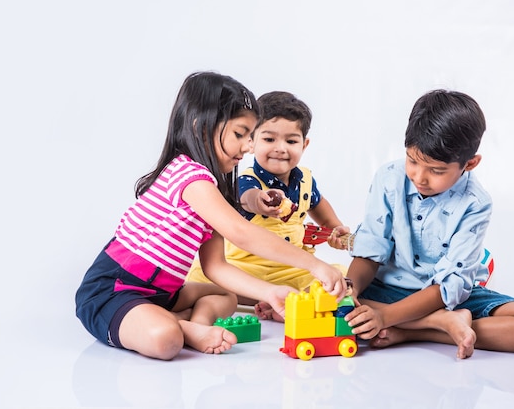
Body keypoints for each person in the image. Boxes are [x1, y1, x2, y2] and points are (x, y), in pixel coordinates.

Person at [75, 72, 347, 361]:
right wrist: (314, 265)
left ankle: (194, 324)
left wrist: (269, 293)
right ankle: (181, 328)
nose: (248, 146)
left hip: (163, 293)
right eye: (240, 134)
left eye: (250, 136)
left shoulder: (215, 188)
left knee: (225, 297)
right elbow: (241, 232)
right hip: (113, 289)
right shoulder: (190, 175)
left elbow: (216, 266)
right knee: (165, 340)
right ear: (201, 128)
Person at [344, 89, 514, 359]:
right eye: (412, 161)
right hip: (383, 290)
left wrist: (384, 316)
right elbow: (371, 247)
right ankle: (439, 324)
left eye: (436, 170)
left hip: (443, 298)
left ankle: (415, 331)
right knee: (307, 297)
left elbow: (451, 284)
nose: (420, 177)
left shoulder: (475, 202)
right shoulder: (389, 177)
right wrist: (349, 291)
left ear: (470, 163)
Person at [186, 91, 350, 321]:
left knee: (342, 275)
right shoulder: (247, 180)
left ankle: (282, 305)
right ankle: (274, 301)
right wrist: (260, 201)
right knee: (211, 283)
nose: (280, 148)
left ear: (305, 144)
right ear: (251, 142)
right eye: (269, 139)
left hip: (290, 269)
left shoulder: (305, 179)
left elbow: (319, 205)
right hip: (247, 268)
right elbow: (247, 198)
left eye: (291, 141)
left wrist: (336, 230)